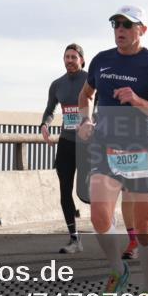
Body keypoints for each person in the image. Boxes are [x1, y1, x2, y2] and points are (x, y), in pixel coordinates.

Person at [77, 5, 148, 296]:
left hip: (140, 149)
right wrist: (85, 120)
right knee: (98, 214)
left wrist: (137, 101)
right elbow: (86, 96)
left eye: (127, 25)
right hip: (106, 146)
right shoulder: (101, 60)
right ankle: (118, 271)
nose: (119, 29)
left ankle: (147, 293)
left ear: (142, 30)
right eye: (115, 24)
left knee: (144, 228)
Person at [40, 43, 90, 254]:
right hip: (66, 142)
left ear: (81, 60)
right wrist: (44, 124)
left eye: (73, 57)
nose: (69, 60)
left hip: (88, 143)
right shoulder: (57, 84)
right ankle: (74, 239)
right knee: (64, 191)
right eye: (66, 57)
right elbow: (50, 109)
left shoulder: (90, 80)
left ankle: (108, 230)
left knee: (91, 192)